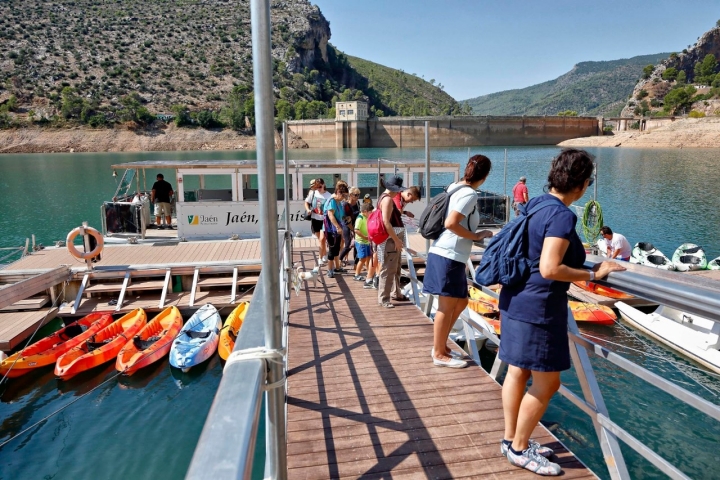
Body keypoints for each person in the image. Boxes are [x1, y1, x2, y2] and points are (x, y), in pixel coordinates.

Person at [498, 149, 625, 476]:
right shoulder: (562, 215)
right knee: (548, 383)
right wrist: (593, 275)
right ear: (583, 185)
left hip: (516, 298)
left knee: (517, 372)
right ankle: (520, 449)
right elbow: (551, 266)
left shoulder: (537, 203)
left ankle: (511, 439)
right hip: (538, 308)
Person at [424, 155, 494, 368]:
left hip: (445, 253)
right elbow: (451, 223)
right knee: (446, 306)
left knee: (461, 301)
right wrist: (477, 236)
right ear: (485, 175)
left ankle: (442, 345)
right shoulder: (469, 194)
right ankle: (439, 353)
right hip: (448, 255)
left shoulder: (455, 186)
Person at [376, 175, 409, 308]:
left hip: (392, 239)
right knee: (388, 269)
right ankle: (384, 298)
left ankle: (396, 292)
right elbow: (386, 222)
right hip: (391, 240)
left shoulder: (383, 198)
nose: (399, 192)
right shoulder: (388, 200)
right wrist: (396, 240)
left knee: (394, 268)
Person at [323, 180, 349, 279]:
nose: (344, 198)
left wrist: (346, 219)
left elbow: (340, 215)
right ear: (338, 192)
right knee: (332, 249)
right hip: (331, 229)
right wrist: (338, 227)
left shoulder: (338, 201)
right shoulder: (332, 201)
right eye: (344, 196)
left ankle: (337, 268)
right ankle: (329, 270)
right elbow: (330, 215)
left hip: (337, 229)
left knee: (337, 248)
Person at [304, 178, 331, 265]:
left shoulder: (328, 195)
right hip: (315, 219)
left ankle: (321, 257)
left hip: (324, 220)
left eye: (320, 186)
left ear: (324, 185)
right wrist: (308, 209)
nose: (318, 188)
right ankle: (324, 255)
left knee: (322, 239)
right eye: (316, 186)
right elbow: (306, 202)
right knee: (320, 239)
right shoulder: (313, 193)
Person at [353, 202, 375, 283]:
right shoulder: (360, 218)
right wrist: (365, 237)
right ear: (365, 211)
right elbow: (356, 230)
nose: (371, 214)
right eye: (370, 212)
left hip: (367, 241)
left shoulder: (366, 217)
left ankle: (369, 273)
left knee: (368, 257)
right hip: (361, 242)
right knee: (362, 259)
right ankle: (356, 275)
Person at [339, 186, 361, 265]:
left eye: (359, 195)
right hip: (347, 226)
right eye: (356, 195)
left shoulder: (357, 203)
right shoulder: (346, 205)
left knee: (357, 244)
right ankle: (339, 260)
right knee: (348, 245)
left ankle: (356, 263)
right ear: (351, 195)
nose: (358, 196)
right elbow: (346, 220)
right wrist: (353, 229)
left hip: (355, 226)